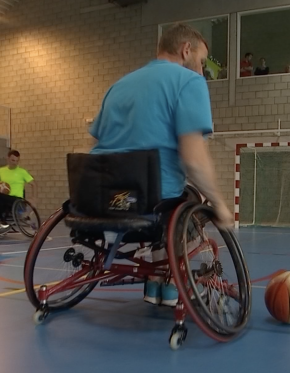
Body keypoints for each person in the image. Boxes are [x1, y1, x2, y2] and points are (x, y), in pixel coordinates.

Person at [88, 22, 233, 307]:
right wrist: (220, 204)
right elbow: (194, 158)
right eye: (202, 62)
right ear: (186, 50)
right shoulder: (188, 81)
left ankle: (155, 279)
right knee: (190, 198)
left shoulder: (119, 85)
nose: (202, 71)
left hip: (103, 199)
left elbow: (95, 144)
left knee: (162, 199)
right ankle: (169, 280)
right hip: (151, 201)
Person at [0, 150, 36, 223]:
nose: (15, 163)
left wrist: (33, 198)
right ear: (8, 159)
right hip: (4, 196)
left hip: (16, 199)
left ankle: (0, 219)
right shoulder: (1, 170)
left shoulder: (22, 172)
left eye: (17, 161)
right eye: (13, 160)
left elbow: (33, 184)